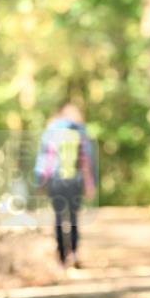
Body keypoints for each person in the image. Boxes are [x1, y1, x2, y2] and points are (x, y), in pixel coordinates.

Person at [34, 103, 96, 271]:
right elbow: (88, 160)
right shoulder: (80, 132)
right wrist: (90, 184)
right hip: (75, 181)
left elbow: (44, 160)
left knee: (59, 219)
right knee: (74, 218)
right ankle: (74, 253)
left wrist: (39, 181)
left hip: (56, 181)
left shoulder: (51, 132)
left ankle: (61, 259)